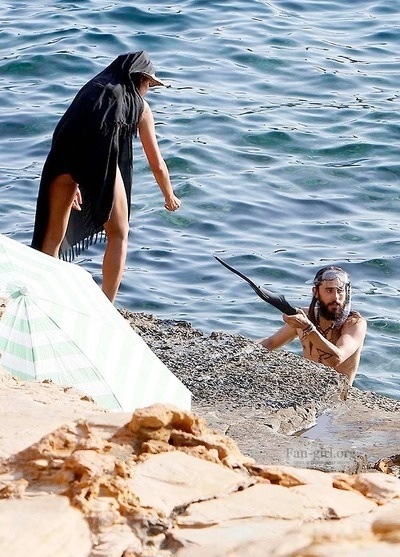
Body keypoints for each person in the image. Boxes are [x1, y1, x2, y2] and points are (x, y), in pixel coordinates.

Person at [31, 51, 181, 303]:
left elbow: (64, 130)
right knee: (119, 234)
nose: (148, 91)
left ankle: (41, 298)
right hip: (98, 166)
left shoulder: (91, 89)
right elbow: (156, 163)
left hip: (61, 159)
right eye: (149, 85)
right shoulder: (140, 107)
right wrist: (169, 196)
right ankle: (107, 304)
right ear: (142, 79)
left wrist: (73, 177)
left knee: (52, 239)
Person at [258, 266, 367, 385]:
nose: (336, 297)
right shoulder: (306, 316)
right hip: (305, 387)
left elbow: (336, 359)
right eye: (329, 291)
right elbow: (271, 342)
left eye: (340, 291)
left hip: (336, 393)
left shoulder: (354, 324)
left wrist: (308, 328)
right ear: (316, 292)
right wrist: (247, 349)